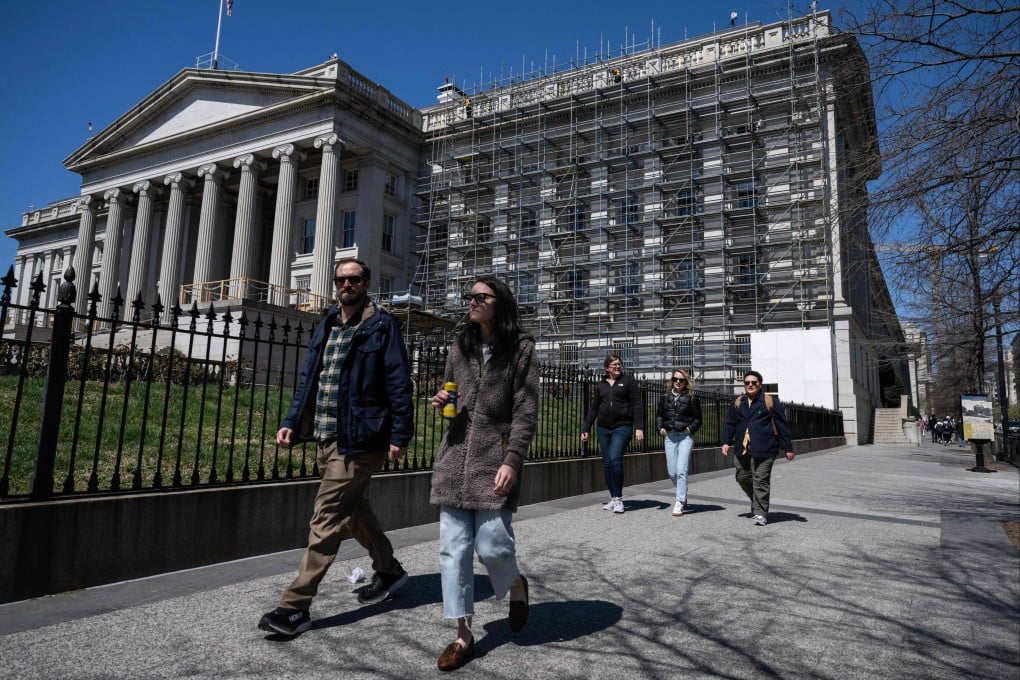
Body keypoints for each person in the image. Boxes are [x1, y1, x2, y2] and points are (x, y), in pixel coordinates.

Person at [258, 258, 414, 637]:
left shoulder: (382, 325)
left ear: (366, 282)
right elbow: (310, 378)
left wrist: (399, 435)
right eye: (341, 279)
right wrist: (291, 421)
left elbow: (398, 382)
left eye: (354, 279)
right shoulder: (327, 323)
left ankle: (294, 607)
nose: (347, 284)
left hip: (362, 439)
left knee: (326, 517)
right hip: (327, 436)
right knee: (354, 510)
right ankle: (391, 572)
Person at [429, 276, 539, 672]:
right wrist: (442, 398)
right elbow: (450, 391)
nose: (472, 302)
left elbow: (526, 410)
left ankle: (515, 584)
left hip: (494, 458)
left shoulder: (521, 350)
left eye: (481, 297)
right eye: (470, 297)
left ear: (499, 303)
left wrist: (512, 459)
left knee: (493, 544)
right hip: (455, 457)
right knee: (452, 550)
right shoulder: (460, 345)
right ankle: (463, 634)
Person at [721, 370, 794, 526]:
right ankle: (757, 500)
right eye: (747, 383)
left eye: (754, 382)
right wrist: (726, 441)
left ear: (760, 384)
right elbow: (730, 423)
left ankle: (760, 513)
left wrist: (788, 448)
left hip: (765, 448)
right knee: (742, 477)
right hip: (743, 448)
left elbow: (782, 425)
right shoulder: (738, 402)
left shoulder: (769, 401)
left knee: (760, 479)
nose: (750, 385)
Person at [580, 355, 646, 513]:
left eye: (619, 364)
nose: (617, 366)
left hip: (622, 427)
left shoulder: (629, 381)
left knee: (615, 458)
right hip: (603, 428)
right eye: (614, 364)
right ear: (607, 368)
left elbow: (637, 404)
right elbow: (594, 408)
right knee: (607, 462)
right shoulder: (601, 385)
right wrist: (585, 428)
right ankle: (612, 497)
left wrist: (639, 427)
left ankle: (618, 499)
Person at [655, 368, 702, 516]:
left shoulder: (692, 398)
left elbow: (698, 419)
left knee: (682, 470)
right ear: (672, 380)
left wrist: (690, 428)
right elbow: (659, 415)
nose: (678, 382)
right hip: (670, 436)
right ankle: (682, 491)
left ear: (686, 382)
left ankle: (680, 501)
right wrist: (660, 428)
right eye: (675, 379)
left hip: (685, 437)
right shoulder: (665, 397)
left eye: (681, 380)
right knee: (672, 472)